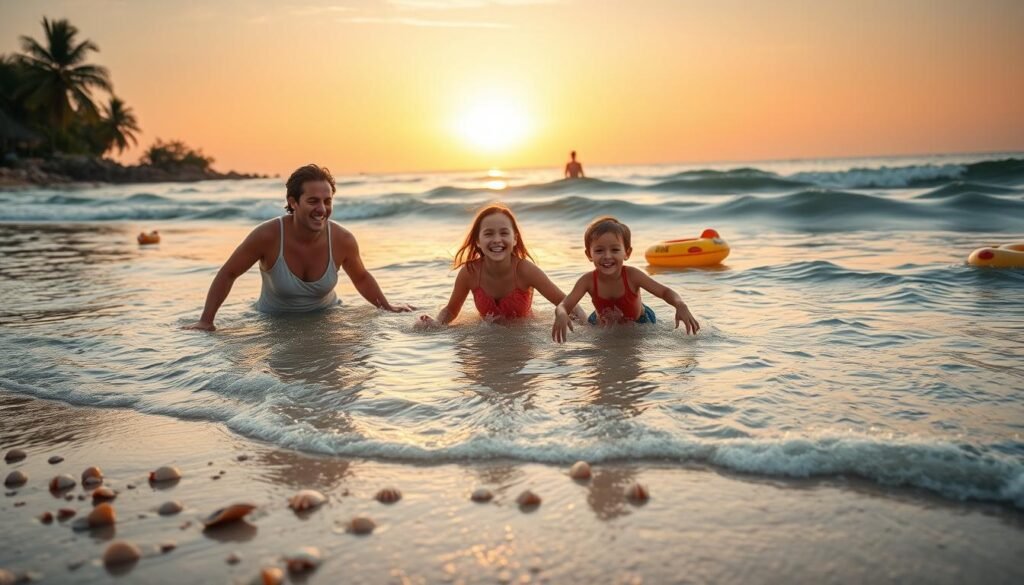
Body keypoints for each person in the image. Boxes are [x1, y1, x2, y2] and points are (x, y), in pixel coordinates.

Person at [185, 164, 412, 331]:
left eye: (327, 201)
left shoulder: (342, 239)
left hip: (326, 317)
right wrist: (207, 320)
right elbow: (229, 273)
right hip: (273, 322)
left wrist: (387, 306)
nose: (322, 209)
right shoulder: (268, 236)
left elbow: (361, 277)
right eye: (313, 201)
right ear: (293, 203)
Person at [418, 203, 587, 326]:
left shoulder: (525, 270)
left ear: (514, 239)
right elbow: (451, 311)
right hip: (487, 344)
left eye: (504, 233)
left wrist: (587, 325)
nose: (497, 240)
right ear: (478, 240)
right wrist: (436, 323)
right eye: (489, 233)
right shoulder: (470, 272)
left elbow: (566, 303)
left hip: (523, 340)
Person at [552, 216, 699, 343]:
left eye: (615, 250)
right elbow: (564, 305)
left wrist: (680, 305)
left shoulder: (632, 276)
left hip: (639, 321)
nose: (607, 256)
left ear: (627, 253)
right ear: (589, 254)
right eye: (599, 250)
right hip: (600, 323)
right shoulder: (588, 281)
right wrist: (562, 313)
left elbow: (665, 292)